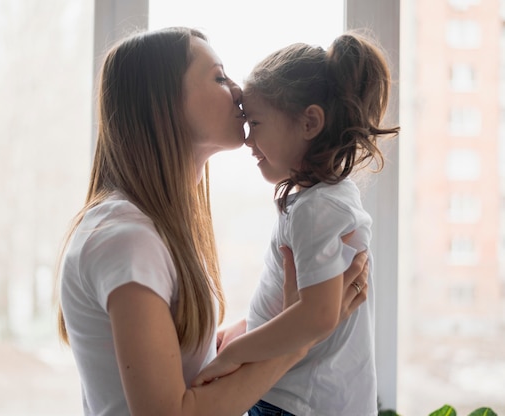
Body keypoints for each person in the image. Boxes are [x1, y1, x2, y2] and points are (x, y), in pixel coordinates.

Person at [55, 27, 369, 416]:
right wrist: (300, 340)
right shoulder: (126, 239)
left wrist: (261, 329)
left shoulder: (155, 229)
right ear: (163, 104)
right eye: (219, 77)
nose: (238, 90)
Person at [192, 31, 400, 416]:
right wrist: (247, 328)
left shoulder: (316, 209)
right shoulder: (323, 198)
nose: (248, 140)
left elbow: (317, 315)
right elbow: (298, 299)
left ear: (309, 123)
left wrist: (235, 355)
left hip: (298, 403)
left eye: (255, 123)